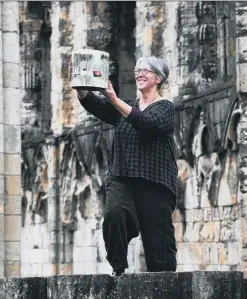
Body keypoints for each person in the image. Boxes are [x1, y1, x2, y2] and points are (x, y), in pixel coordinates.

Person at [68, 56, 178, 276]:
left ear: (158, 77)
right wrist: (81, 89)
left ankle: (167, 288)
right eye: (137, 69)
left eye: (146, 70)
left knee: (159, 250)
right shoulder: (127, 106)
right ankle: (118, 268)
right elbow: (96, 105)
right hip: (122, 178)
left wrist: (115, 99)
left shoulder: (165, 108)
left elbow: (146, 123)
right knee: (114, 214)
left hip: (155, 183)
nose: (139, 73)